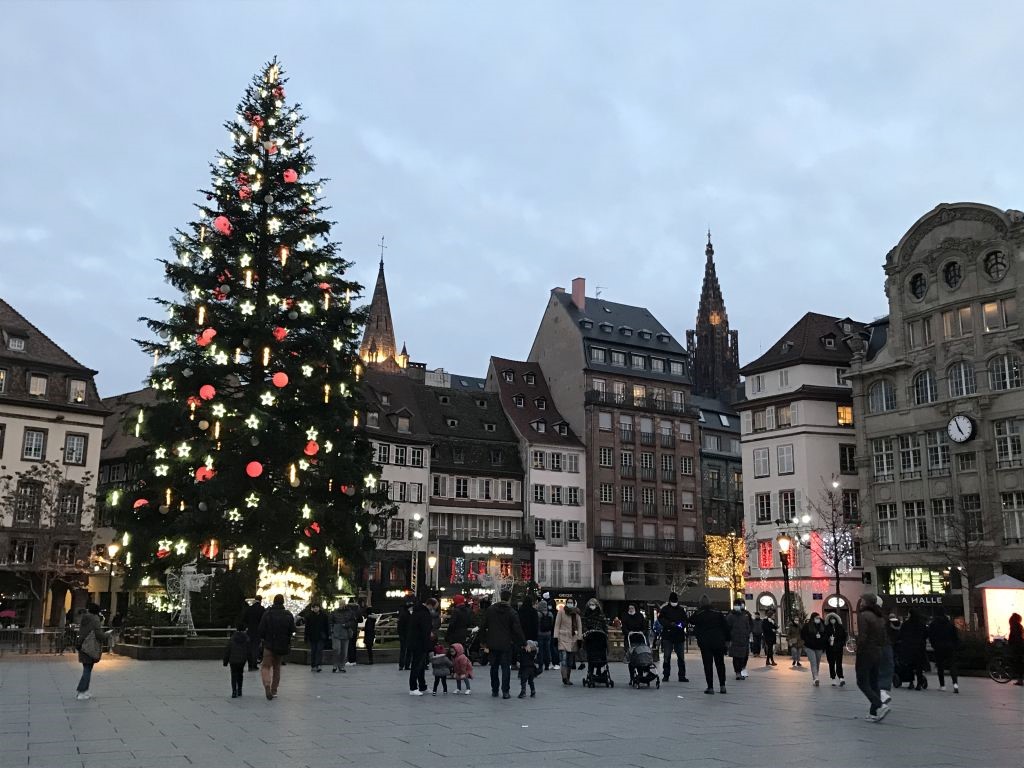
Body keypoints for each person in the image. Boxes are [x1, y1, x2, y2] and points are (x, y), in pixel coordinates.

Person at [480, 589, 525, 699]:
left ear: (500, 597)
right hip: (506, 644)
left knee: (494, 667)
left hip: (493, 643)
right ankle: (505, 691)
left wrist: (483, 641)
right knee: (505, 668)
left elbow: (483, 626)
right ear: (509, 598)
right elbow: (517, 629)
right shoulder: (512, 612)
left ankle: (495, 690)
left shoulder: (491, 610)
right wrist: (523, 642)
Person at [855, 593, 890, 722]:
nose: (861, 602)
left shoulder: (864, 615)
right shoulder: (880, 617)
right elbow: (884, 637)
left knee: (862, 681)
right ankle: (873, 712)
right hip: (878, 651)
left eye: (862, 600)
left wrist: (858, 649)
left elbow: (863, 636)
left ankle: (880, 705)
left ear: (867, 602)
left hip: (866, 652)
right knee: (874, 681)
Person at [257, 594, 295, 701]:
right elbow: (292, 630)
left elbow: (261, 630)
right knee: (277, 667)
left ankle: (267, 685)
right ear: (283, 602)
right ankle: (274, 690)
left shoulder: (267, 614)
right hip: (281, 645)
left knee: (265, 667)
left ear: (273, 601)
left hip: (269, 644)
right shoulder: (288, 615)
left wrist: (265, 638)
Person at [690, 595, 729, 694]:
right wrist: (727, 640)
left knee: (708, 664)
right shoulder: (718, 613)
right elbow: (726, 627)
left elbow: (691, 620)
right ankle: (722, 686)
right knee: (720, 664)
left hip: (705, 643)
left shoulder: (699, 614)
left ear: (701, 604)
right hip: (718, 642)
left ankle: (710, 687)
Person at [75, 603, 109, 700]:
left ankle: (84, 690)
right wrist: (106, 634)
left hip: (82, 645)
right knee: (87, 669)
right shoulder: (95, 619)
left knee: (87, 668)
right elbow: (99, 635)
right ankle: (81, 691)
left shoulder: (84, 618)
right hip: (90, 647)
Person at [407, 597, 436, 695]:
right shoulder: (424, 614)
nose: (434, 610)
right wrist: (429, 646)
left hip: (416, 642)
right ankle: (413, 687)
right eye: (434, 608)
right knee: (416, 665)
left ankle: (422, 686)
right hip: (419, 643)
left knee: (421, 666)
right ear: (430, 605)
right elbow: (425, 631)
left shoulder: (417, 611)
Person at [659, 592, 689, 682]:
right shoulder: (665, 609)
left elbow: (685, 621)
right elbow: (661, 620)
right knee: (667, 656)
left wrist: (678, 625)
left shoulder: (681, 610)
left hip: (677, 636)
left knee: (680, 657)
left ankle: (681, 675)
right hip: (668, 636)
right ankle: (666, 675)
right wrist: (670, 625)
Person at [927, 610, 959, 693]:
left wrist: (934, 645)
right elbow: (955, 636)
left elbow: (931, 636)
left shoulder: (933, 624)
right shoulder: (950, 624)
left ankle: (942, 685)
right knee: (952, 665)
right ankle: (955, 684)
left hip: (939, 647)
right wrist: (955, 645)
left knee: (940, 666)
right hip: (950, 647)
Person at [898, 609, 929, 691]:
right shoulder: (922, 624)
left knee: (909, 666)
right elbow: (926, 634)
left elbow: (901, 634)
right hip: (920, 648)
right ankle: (919, 683)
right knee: (919, 666)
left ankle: (911, 682)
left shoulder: (906, 624)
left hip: (909, 647)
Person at [554, 598, 582, 685]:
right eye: (568, 602)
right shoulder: (561, 612)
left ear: (574, 603)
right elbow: (557, 624)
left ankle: (568, 678)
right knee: (563, 660)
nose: (570, 603)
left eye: (571, 602)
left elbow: (579, 627)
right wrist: (555, 636)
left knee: (570, 662)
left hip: (573, 639)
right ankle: (564, 678)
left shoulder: (576, 614)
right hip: (562, 638)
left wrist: (579, 639)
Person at [726, 600, 753, 680]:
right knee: (736, 657)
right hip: (734, 639)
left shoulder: (746, 614)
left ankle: (742, 670)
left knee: (744, 656)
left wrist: (748, 632)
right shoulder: (731, 615)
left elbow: (750, 625)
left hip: (744, 639)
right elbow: (727, 627)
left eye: (740, 604)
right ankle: (738, 672)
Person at [581, 598, 608, 679]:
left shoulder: (601, 615)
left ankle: (599, 670)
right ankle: (591, 671)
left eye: (593, 605)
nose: (592, 606)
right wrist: (586, 632)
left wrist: (605, 634)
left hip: (600, 637)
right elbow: (584, 625)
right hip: (590, 637)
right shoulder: (586, 615)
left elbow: (604, 626)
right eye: (590, 605)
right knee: (591, 655)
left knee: (600, 654)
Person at [223, 624, 251, 698]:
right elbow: (249, 651)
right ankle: (240, 690)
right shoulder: (246, 638)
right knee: (240, 674)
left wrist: (225, 661)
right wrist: (250, 661)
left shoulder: (232, 638)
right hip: (242, 660)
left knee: (233, 675)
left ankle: (234, 691)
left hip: (233, 660)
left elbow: (228, 650)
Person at [800, 612, 828, 686]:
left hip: (819, 647)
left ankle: (815, 678)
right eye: (816, 618)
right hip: (809, 647)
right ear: (813, 618)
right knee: (813, 662)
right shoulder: (807, 626)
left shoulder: (822, 625)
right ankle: (816, 678)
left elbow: (826, 635)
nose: (818, 619)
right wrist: (810, 640)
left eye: (819, 618)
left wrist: (822, 639)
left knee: (817, 662)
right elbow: (803, 635)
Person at [303, 603, 330, 673]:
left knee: (319, 650)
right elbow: (307, 628)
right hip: (312, 636)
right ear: (312, 608)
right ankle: (313, 665)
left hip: (321, 636)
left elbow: (327, 626)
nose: (316, 609)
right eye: (314, 607)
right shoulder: (309, 616)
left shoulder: (324, 616)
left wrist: (327, 635)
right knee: (313, 651)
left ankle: (318, 665)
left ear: (319, 608)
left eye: (317, 607)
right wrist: (306, 637)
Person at [879, 614, 900, 704]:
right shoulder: (899, 624)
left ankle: (881, 694)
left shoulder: (886, 625)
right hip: (896, 647)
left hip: (886, 647)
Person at [241, 596, 265, 671]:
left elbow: (244, 619)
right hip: (258, 631)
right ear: (260, 600)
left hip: (250, 631)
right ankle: (254, 665)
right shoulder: (262, 609)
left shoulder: (249, 609)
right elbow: (264, 621)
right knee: (256, 648)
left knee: (250, 648)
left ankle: (250, 665)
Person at [329, 602, 354, 673]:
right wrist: (331, 630)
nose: (341, 605)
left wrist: (346, 625)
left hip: (345, 633)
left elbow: (353, 621)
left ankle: (342, 666)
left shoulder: (349, 612)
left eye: (342, 604)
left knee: (344, 652)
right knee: (336, 649)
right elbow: (330, 621)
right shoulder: (334, 612)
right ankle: (335, 665)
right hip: (336, 633)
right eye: (340, 604)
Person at [823, 612, 847, 687]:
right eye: (831, 619)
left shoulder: (840, 627)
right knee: (831, 663)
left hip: (838, 648)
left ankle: (841, 677)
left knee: (839, 663)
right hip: (830, 648)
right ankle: (833, 678)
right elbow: (824, 636)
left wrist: (841, 644)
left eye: (833, 619)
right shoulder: (826, 628)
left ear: (836, 619)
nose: (832, 620)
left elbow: (844, 636)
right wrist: (829, 640)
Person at [537, 599, 555, 671]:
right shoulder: (550, 614)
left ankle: (540, 664)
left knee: (540, 650)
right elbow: (552, 623)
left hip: (539, 633)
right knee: (547, 649)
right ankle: (547, 664)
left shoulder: (538, 614)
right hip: (548, 633)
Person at [397, 600, 413, 670]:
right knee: (407, 650)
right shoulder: (408, 615)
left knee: (403, 650)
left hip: (403, 634)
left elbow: (399, 626)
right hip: (407, 634)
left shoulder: (403, 614)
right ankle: (406, 664)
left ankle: (402, 665)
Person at [1008, 612, 1023, 686]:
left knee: (1018, 663)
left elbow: (1013, 636)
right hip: (1020, 645)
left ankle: (1020, 680)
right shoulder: (1019, 625)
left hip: (1017, 647)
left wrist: (1009, 642)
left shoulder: (1014, 626)